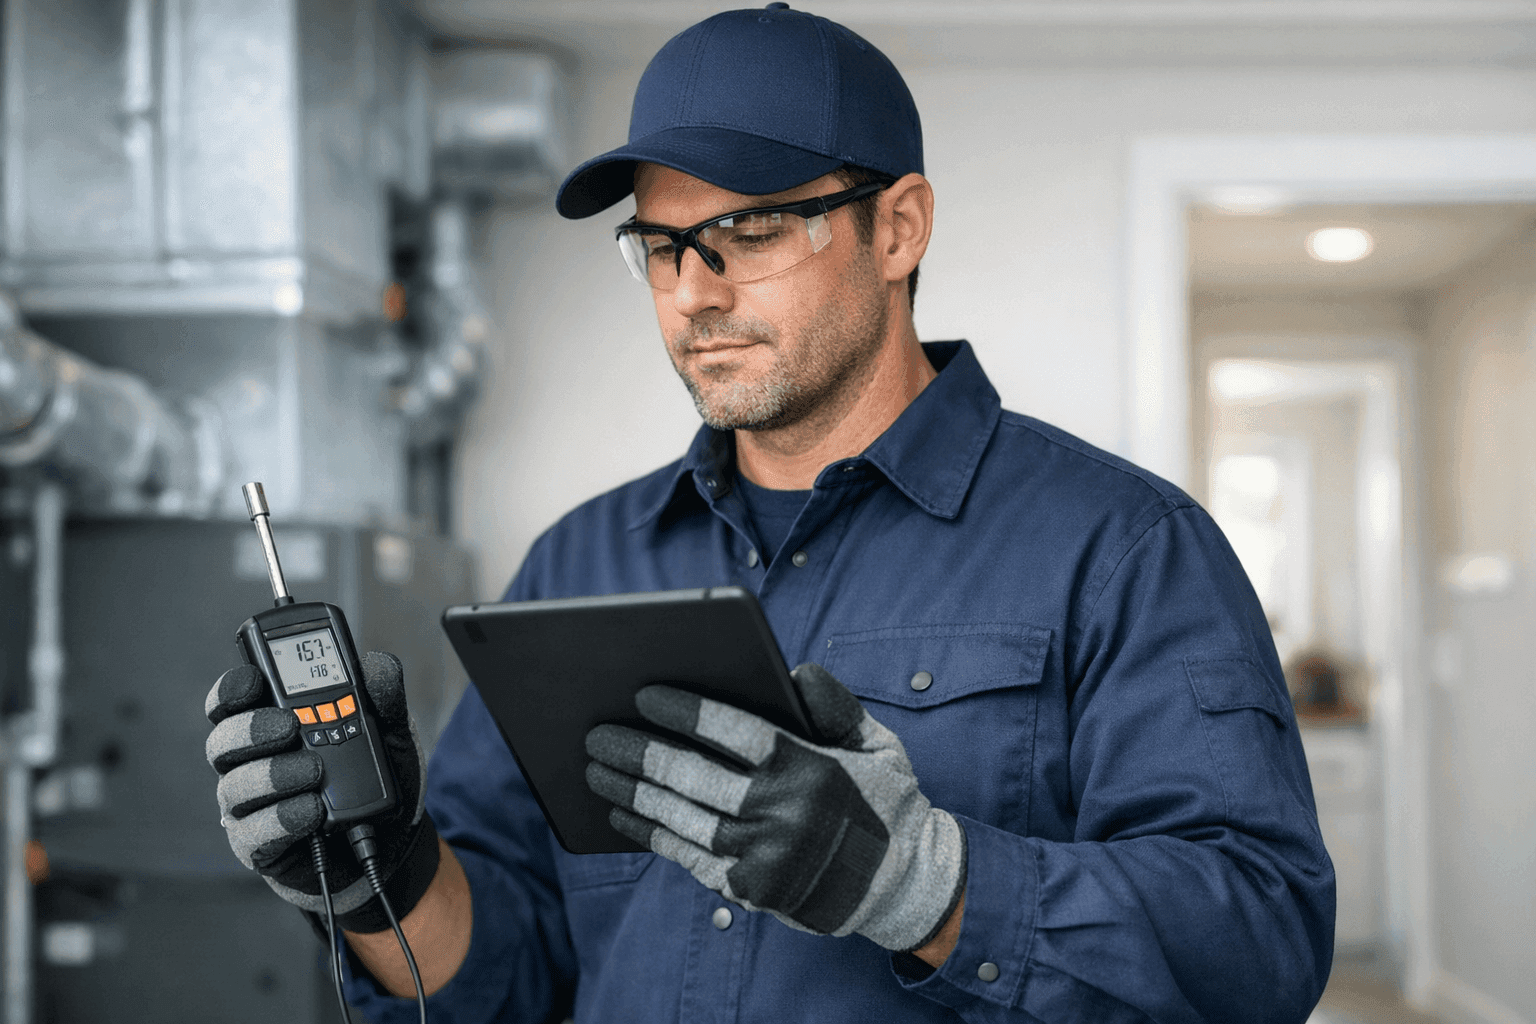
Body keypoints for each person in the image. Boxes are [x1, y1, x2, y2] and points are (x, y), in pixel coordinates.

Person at [204, 5, 1335, 1021]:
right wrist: (379, 875)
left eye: (749, 232)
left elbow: (1264, 943)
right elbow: (508, 975)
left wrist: (924, 884)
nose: (695, 291)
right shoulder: (579, 562)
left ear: (898, 229)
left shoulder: (1125, 548)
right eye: (661, 246)